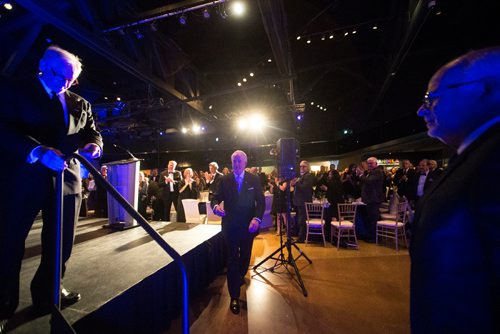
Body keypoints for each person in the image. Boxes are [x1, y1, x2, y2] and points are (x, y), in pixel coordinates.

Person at [0, 45, 103, 324]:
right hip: (24, 176)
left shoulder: (81, 103)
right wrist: (38, 152)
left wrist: (94, 144)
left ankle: (48, 292)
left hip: (68, 178)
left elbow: (92, 131)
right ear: (44, 66)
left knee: (61, 241)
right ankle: (2, 304)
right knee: (10, 241)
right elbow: (4, 129)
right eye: (62, 76)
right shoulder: (14, 89)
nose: (66, 84)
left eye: (72, 79)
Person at [412, 47, 500, 333]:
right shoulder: (472, 155)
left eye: (431, 98)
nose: (422, 109)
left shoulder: (493, 161)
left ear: (481, 90)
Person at [211, 150, 264, 314]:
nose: (237, 163)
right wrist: (215, 206)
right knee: (232, 259)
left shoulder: (254, 179)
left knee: (245, 257)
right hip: (230, 226)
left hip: (248, 226)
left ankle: (240, 276)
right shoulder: (224, 180)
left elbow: (260, 202)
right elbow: (215, 197)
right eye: (234, 160)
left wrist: (257, 219)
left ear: (245, 163)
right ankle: (234, 295)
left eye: (240, 160)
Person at [359, 157, 384, 242]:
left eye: (371, 163)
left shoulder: (377, 171)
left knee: (373, 219)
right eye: (368, 163)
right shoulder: (372, 172)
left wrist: (361, 175)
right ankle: (371, 235)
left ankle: (374, 238)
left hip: (374, 199)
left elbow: (368, 181)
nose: (369, 165)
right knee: (370, 219)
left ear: (376, 163)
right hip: (370, 199)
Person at [290, 160, 315, 243]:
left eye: (304, 166)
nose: (301, 168)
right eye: (300, 166)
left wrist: (296, 183)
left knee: (302, 220)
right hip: (299, 201)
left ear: (308, 167)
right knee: (299, 219)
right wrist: (293, 184)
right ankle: (298, 235)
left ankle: (301, 238)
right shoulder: (302, 176)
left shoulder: (308, 176)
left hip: (303, 201)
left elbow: (304, 187)